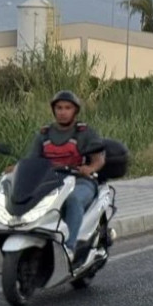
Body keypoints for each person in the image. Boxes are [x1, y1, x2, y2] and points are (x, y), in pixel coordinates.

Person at [25, 90, 103, 261]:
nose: (63, 111)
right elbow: (32, 159)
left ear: (75, 111)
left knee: (73, 200)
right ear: (54, 110)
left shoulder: (84, 132)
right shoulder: (44, 133)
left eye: (67, 108)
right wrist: (18, 168)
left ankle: (69, 248)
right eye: (59, 108)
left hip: (81, 182)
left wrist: (89, 168)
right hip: (52, 182)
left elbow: (99, 158)